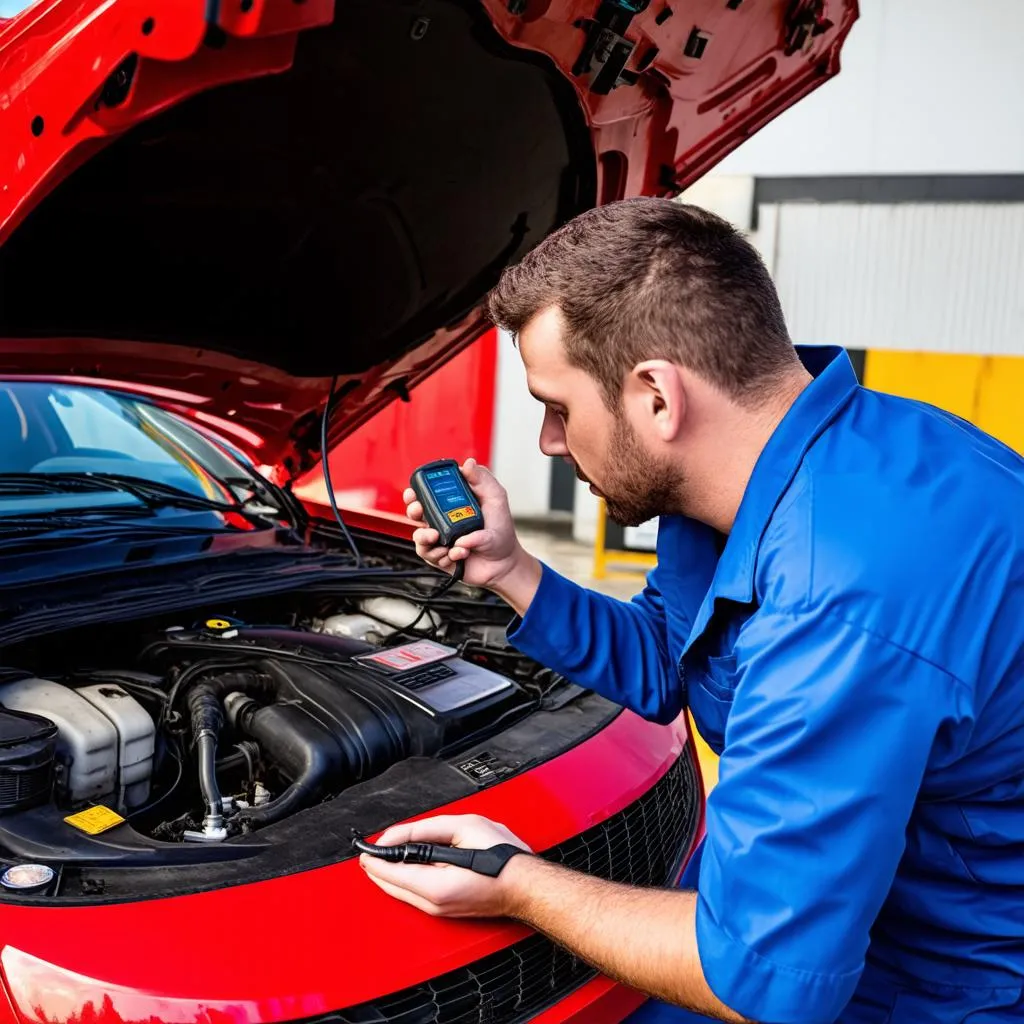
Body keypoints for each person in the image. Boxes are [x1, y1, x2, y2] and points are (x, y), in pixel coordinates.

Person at [358, 198, 1024, 1023]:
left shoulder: (838, 597)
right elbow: (669, 661)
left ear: (657, 398)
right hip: (813, 906)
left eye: (557, 406)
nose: (549, 444)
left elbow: (762, 983)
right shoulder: (768, 477)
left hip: (930, 984)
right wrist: (513, 571)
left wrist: (516, 882)